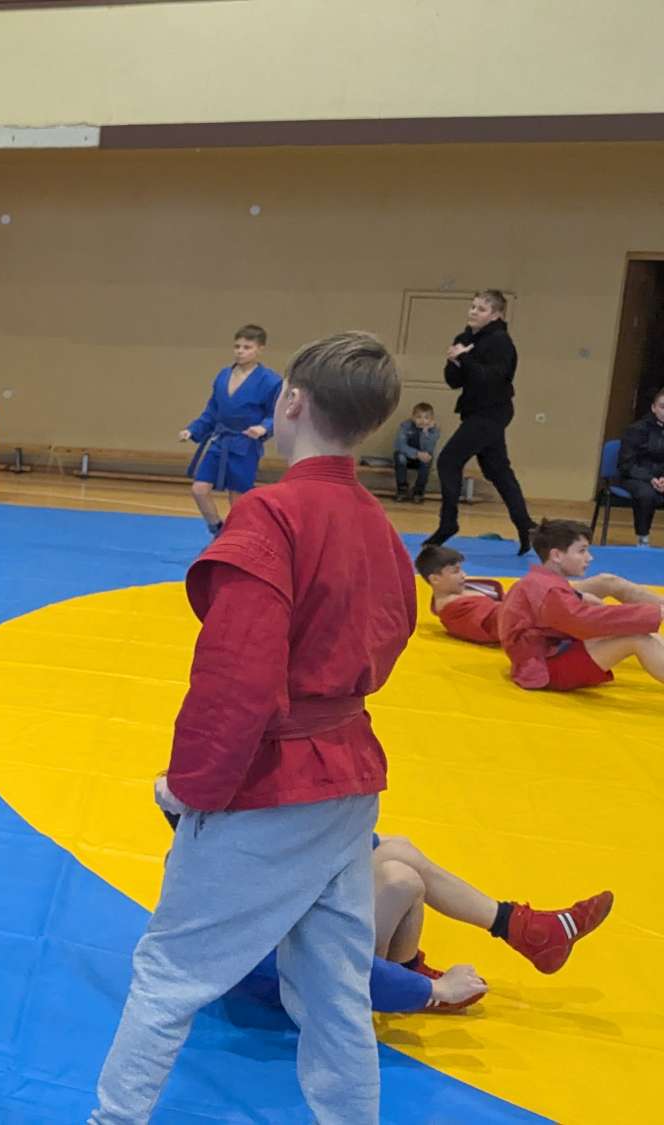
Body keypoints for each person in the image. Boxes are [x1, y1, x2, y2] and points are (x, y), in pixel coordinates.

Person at [92, 331, 413, 1125]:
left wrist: (194, 788)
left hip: (274, 781)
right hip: (348, 782)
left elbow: (235, 677)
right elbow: (393, 631)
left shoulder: (273, 516)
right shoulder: (377, 525)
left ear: (291, 401)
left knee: (168, 972)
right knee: (334, 991)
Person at [192, 817, 613, 1015]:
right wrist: (430, 990)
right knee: (399, 881)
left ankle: (523, 928)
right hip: (297, 985)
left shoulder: (243, 840)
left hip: (288, 941)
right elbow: (322, 965)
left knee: (398, 855)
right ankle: (521, 931)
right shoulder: (249, 881)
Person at [424, 289, 537, 552]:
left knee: (449, 460)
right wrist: (454, 362)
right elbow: (454, 382)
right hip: (475, 411)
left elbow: (491, 379)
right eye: (472, 306)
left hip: (493, 411)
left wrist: (464, 358)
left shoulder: (500, 342)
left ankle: (448, 523)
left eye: (481, 309)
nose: (474, 312)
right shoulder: (464, 338)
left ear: (496, 315)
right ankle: (526, 526)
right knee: (497, 470)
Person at [496, 519, 664, 690]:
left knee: (640, 627)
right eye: (582, 551)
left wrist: (579, 596)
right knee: (638, 637)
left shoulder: (540, 581)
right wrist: (652, 612)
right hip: (546, 668)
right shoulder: (549, 591)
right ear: (556, 556)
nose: (589, 557)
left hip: (549, 652)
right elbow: (584, 622)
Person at [414, 543, 660, 646]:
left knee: (608, 581)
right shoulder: (454, 611)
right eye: (456, 572)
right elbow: (502, 625)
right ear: (435, 579)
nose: (464, 575)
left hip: (530, 601)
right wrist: (570, 598)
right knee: (622, 624)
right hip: (533, 613)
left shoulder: (460, 591)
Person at [176, 325, 283, 537]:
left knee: (237, 499)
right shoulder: (223, 375)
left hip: (245, 444)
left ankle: (238, 537)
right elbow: (212, 411)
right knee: (199, 489)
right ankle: (217, 530)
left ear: (260, 349)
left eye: (247, 347)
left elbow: (276, 413)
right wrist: (193, 430)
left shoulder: (270, 381)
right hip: (220, 440)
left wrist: (264, 427)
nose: (240, 351)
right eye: (237, 346)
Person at [614, 386, 664, 546]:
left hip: (661, 478)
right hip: (634, 477)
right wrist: (650, 479)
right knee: (646, 494)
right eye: (662, 407)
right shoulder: (635, 430)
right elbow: (626, 464)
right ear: (653, 408)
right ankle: (643, 538)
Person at [392, 401, 441, 503]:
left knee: (427, 459)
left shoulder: (434, 430)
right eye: (419, 417)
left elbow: (428, 449)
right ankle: (402, 488)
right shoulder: (405, 426)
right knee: (400, 456)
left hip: (422, 459)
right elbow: (399, 444)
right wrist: (416, 454)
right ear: (413, 417)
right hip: (407, 457)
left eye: (426, 418)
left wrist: (425, 432)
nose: (422, 420)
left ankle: (419, 491)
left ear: (431, 419)